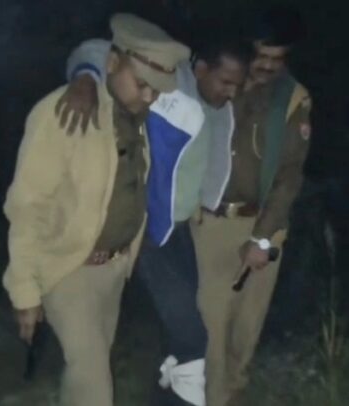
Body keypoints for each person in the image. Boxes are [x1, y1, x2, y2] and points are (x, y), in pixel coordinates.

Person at [56, 22, 253, 406]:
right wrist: (85, 78)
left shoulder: (220, 107)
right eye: (226, 82)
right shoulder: (169, 83)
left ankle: (162, 396)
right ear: (201, 69)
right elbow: (99, 50)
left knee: (180, 334)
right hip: (148, 229)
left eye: (238, 85)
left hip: (180, 229)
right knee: (192, 338)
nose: (232, 92)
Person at [2, 13, 188, 406]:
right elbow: (28, 207)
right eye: (142, 84)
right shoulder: (64, 112)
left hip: (114, 269)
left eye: (157, 89)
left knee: (88, 371)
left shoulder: (139, 119)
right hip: (68, 268)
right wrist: (24, 290)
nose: (149, 97)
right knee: (94, 381)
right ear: (113, 63)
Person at [189, 18, 312, 405]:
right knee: (211, 321)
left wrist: (262, 238)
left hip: (264, 223)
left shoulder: (292, 99)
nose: (269, 66)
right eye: (262, 56)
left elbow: (289, 175)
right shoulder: (216, 82)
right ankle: (214, 396)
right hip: (210, 223)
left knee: (247, 322)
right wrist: (86, 74)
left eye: (278, 58)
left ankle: (235, 388)